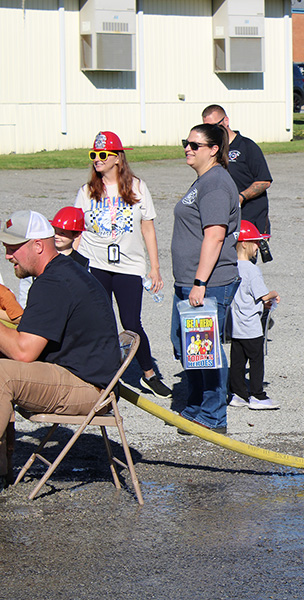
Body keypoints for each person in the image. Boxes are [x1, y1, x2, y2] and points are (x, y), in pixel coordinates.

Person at [0, 210, 120, 483]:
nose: (8, 256)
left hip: (90, 388)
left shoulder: (54, 282)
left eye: (13, 249)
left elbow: (23, 351)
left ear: (38, 245)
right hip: (79, 375)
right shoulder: (60, 274)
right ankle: (2, 468)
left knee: (1, 375)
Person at [74, 131, 172, 399]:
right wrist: (73, 265)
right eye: (93, 154)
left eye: (103, 155)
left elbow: (148, 228)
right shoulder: (87, 191)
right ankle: (103, 377)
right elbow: (77, 232)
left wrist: (155, 268)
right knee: (100, 321)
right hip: (97, 264)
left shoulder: (138, 187)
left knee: (130, 322)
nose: (97, 159)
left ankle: (149, 373)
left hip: (129, 265)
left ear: (117, 158)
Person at [171, 123, 241, 434]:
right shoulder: (204, 181)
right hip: (191, 282)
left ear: (213, 149)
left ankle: (213, 417)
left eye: (195, 144)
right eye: (185, 143)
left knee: (205, 351)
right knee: (188, 348)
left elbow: (214, 237)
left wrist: (199, 283)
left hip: (208, 284)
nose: (188, 148)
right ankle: (197, 407)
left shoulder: (214, 184)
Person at [228, 220, 280, 410]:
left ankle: (238, 394)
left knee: (237, 362)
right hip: (251, 326)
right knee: (256, 361)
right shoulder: (252, 269)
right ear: (244, 243)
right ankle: (257, 394)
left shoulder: (230, 267)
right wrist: (274, 294)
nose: (258, 246)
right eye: (255, 242)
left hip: (235, 325)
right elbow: (263, 295)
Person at [201, 105, 273, 238]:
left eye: (214, 126)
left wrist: (241, 197)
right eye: (207, 128)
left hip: (249, 216)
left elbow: (264, 181)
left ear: (226, 121)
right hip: (223, 216)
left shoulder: (247, 146)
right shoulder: (213, 150)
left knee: (244, 258)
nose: (211, 131)